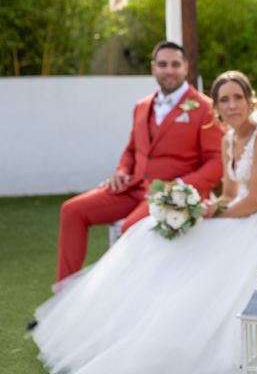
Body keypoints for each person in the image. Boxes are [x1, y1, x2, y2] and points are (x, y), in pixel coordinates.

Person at [32, 70, 257, 373]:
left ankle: (171, 335)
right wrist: (202, 206)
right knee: (147, 233)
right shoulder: (228, 139)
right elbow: (231, 194)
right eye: (225, 99)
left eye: (238, 97)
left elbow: (253, 202)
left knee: (186, 258)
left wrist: (208, 214)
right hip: (236, 215)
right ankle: (128, 327)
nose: (232, 105)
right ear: (217, 107)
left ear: (251, 101)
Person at [56, 41, 224, 282]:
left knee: (129, 229)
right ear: (153, 68)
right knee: (72, 211)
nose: (169, 70)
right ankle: (64, 294)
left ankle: (111, 299)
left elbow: (216, 163)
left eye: (175, 64)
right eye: (163, 64)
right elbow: (132, 149)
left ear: (186, 68)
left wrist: (178, 187)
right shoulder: (142, 106)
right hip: (134, 188)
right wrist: (122, 171)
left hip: (170, 195)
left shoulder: (205, 108)